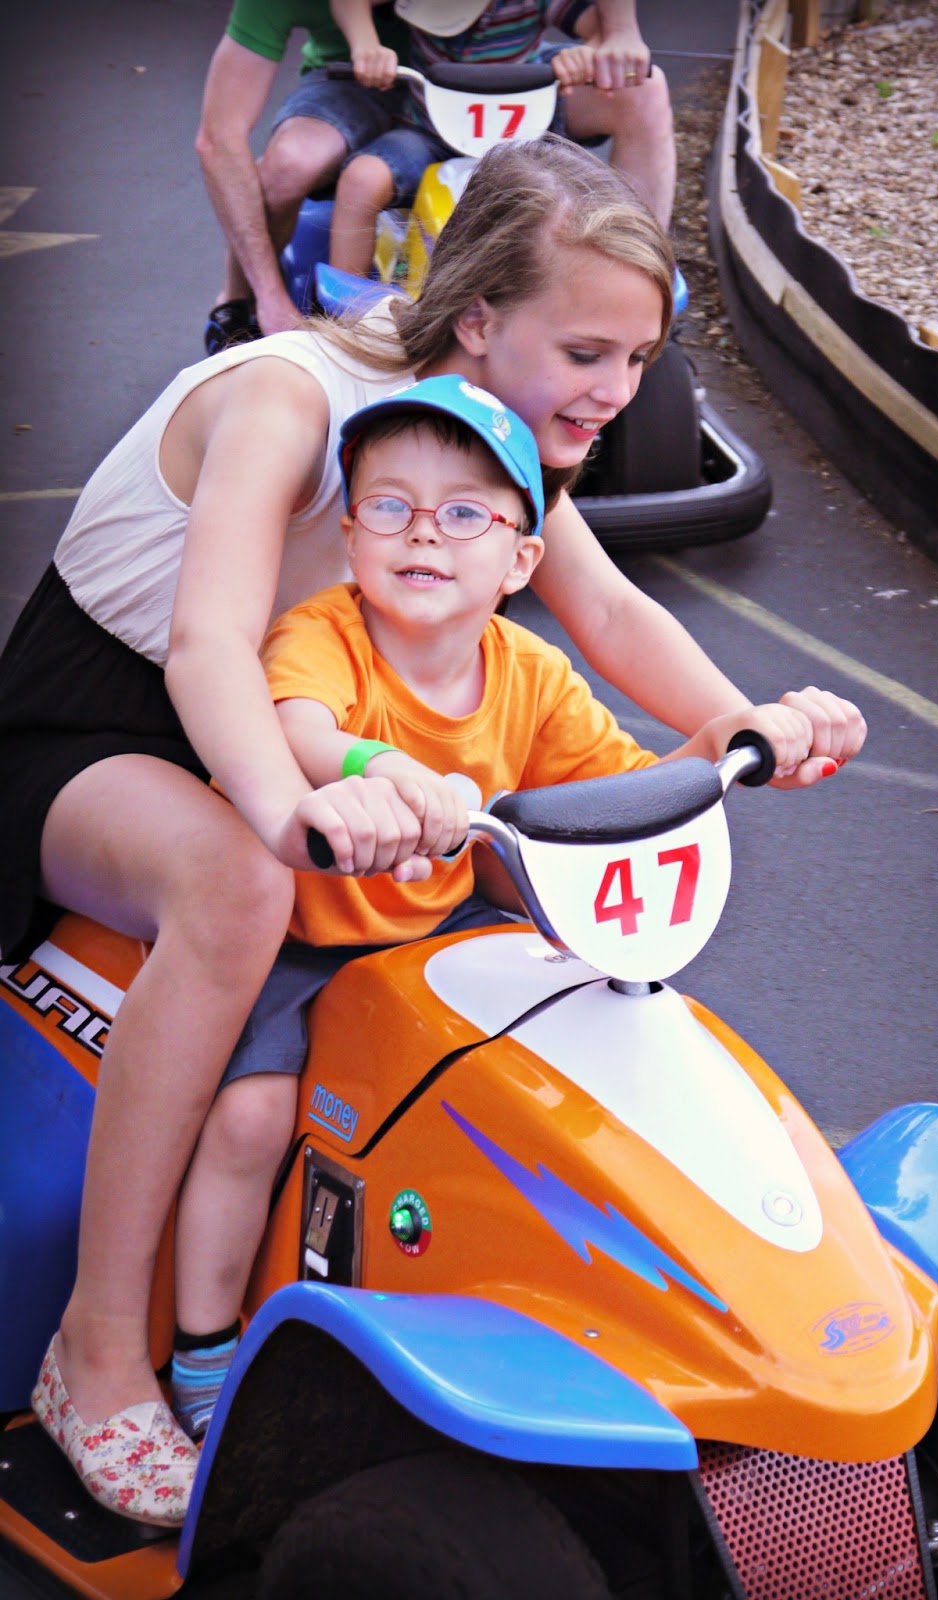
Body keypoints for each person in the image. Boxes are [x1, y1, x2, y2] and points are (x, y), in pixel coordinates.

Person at [0, 134, 863, 1529]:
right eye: (587, 350)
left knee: (535, 913)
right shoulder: (292, 398)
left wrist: (745, 726)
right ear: (479, 320)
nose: (616, 392)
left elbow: (610, 617)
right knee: (234, 888)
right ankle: (98, 1352)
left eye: (639, 360)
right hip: (121, 728)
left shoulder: (499, 447)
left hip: (337, 743)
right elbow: (206, 644)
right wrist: (288, 811)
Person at [166, 372, 841, 1442]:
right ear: (350, 535)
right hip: (305, 934)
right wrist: (369, 767)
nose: (422, 534)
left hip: (443, 927)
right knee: (250, 1118)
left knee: (569, 1066)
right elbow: (291, 722)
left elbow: (619, 790)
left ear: (522, 559)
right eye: (389, 506)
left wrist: (755, 736)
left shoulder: (529, 674)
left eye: (465, 513)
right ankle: (201, 1347)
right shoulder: (322, 635)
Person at [328, 0, 676, 279]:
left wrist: (587, 52)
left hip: (526, 125)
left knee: (555, 214)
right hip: (429, 129)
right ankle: (345, 314)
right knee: (362, 179)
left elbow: (599, 31)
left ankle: (637, 271)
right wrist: (366, 47)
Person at [196, 0, 414, 349]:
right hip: (350, 77)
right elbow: (218, 138)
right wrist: (272, 299)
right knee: (288, 166)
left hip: (481, 80)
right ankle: (240, 300)